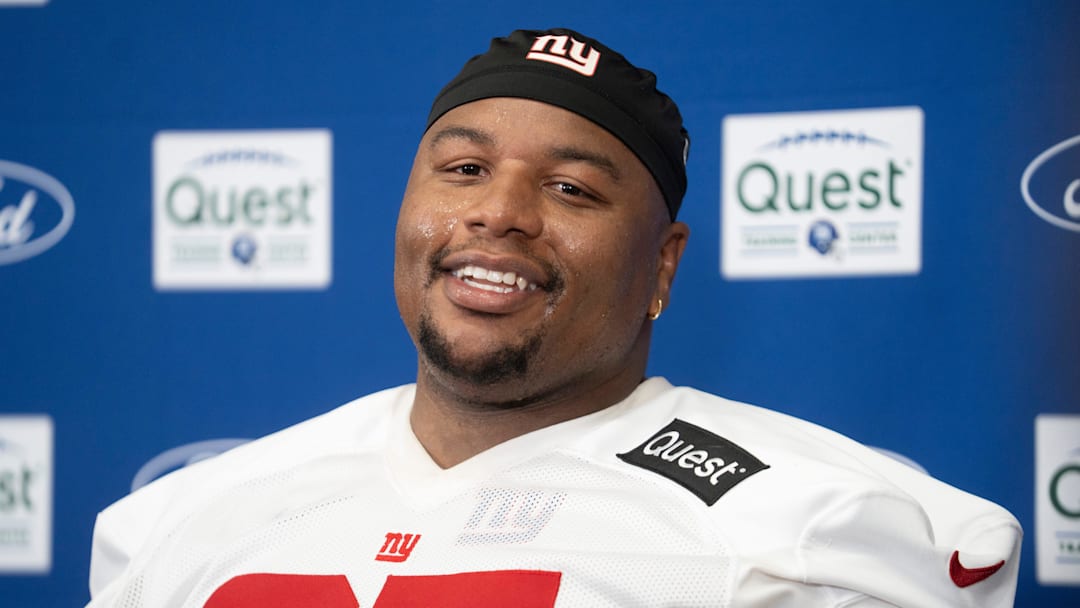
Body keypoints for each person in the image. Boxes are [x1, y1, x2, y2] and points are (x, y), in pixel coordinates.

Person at [87, 28, 1021, 607]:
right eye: (463, 171)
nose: (498, 213)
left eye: (570, 189)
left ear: (663, 266)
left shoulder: (813, 525)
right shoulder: (182, 520)